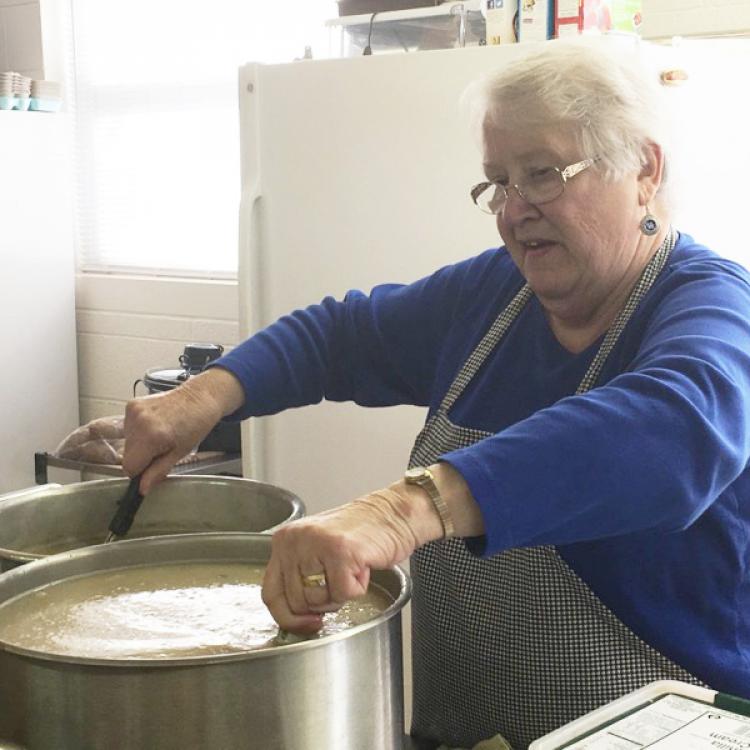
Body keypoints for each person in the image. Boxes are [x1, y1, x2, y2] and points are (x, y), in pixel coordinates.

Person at [123, 37, 750, 750]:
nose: (514, 211)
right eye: (497, 183)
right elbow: (341, 336)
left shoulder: (713, 307)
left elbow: (673, 432)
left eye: (542, 174)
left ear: (643, 169)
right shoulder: (492, 297)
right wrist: (209, 393)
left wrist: (400, 510)